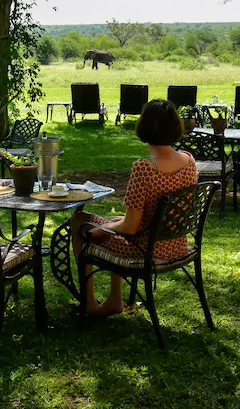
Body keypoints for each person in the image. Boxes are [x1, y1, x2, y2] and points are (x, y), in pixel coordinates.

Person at [70, 99, 198, 317]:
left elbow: (130, 228)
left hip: (147, 249)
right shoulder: (189, 160)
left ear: (144, 127)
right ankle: (113, 300)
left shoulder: (145, 168)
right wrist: (112, 224)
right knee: (113, 222)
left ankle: (91, 304)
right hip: (177, 243)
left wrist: (103, 229)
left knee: (80, 221)